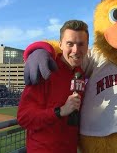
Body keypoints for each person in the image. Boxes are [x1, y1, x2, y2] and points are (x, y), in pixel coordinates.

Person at [17, 20, 89, 153]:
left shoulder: (81, 73)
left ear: (87, 46)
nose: (76, 50)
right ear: (60, 44)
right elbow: (24, 117)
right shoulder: (45, 69)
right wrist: (59, 111)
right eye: (70, 44)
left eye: (81, 44)